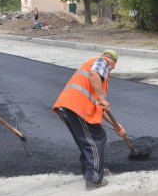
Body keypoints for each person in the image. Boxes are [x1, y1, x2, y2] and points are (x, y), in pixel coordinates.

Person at [53, 50, 126, 190]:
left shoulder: (92, 71)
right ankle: (93, 179)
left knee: (86, 139)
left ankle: (90, 170)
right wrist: (101, 97)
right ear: (112, 63)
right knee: (96, 138)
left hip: (69, 106)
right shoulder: (102, 62)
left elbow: (99, 107)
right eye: (111, 68)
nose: (109, 70)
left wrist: (116, 126)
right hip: (77, 107)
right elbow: (95, 75)